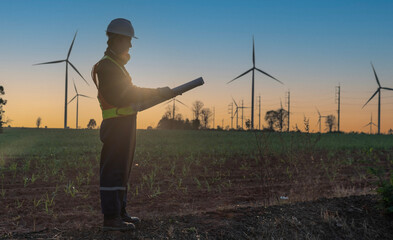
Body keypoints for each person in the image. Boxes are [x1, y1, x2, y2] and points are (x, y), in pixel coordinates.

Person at [91, 18, 174, 231]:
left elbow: (129, 94)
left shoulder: (116, 65)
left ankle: (119, 211)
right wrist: (157, 92)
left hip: (125, 124)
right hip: (116, 125)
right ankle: (111, 217)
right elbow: (124, 94)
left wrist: (155, 95)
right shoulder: (107, 67)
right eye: (128, 40)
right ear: (117, 39)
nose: (130, 45)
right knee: (113, 170)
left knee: (123, 169)